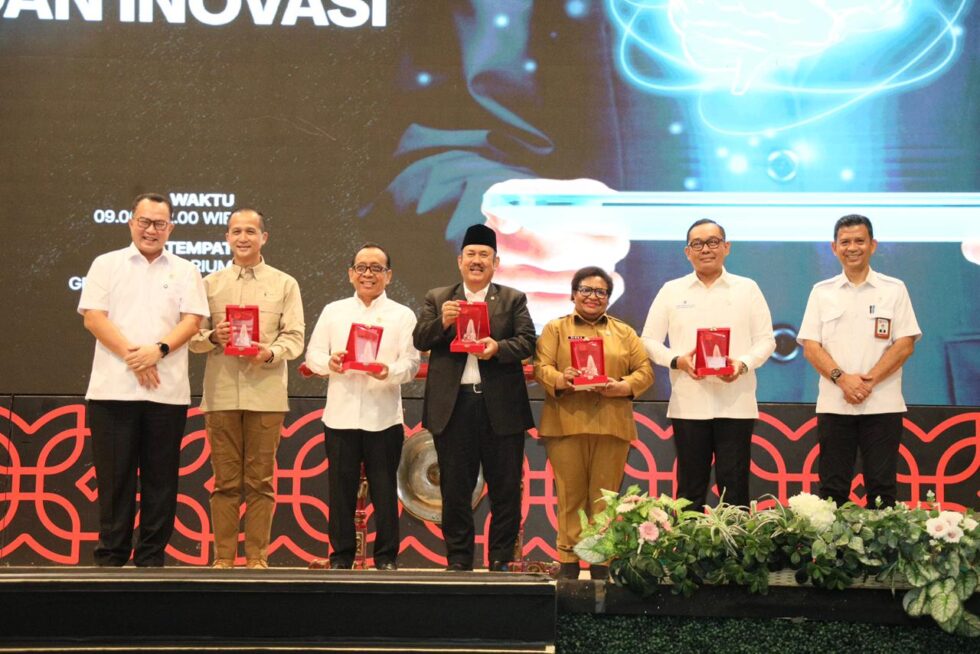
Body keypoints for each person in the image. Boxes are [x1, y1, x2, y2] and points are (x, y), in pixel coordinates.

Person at [78, 192, 208, 566]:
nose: (151, 230)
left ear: (171, 227)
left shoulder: (186, 269)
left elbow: (192, 321)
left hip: (166, 394)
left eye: (159, 223)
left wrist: (159, 350)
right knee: (114, 480)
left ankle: (151, 559)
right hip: (112, 392)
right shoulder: (106, 264)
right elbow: (94, 318)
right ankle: (111, 558)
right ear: (131, 222)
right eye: (145, 222)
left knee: (160, 482)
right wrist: (134, 356)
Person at [413, 224, 536, 572]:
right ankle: (459, 558)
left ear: (496, 263)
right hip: (454, 407)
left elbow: (528, 341)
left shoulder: (512, 299)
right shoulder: (439, 298)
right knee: (455, 488)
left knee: (505, 488)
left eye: (484, 255)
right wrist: (443, 321)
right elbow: (420, 339)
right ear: (460, 260)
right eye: (471, 254)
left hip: (500, 407)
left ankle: (499, 558)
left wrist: (498, 348)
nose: (477, 260)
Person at [188, 208, 305, 569]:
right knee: (224, 482)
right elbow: (191, 337)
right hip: (221, 394)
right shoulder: (208, 284)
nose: (243, 238)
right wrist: (213, 336)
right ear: (226, 237)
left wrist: (269, 352)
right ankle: (223, 559)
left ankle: (257, 558)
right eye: (236, 231)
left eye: (250, 231)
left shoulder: (285, 283)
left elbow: (295, 337)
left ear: (263, 238)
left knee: (260, 483)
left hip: (266, 395)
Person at [641, 219, 775, 511]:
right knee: (690, 488)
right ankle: (688, 541)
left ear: (726, 247)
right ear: (687, 252)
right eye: (698, 244)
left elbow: (766, 341)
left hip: (736, 402)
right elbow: (648, 340)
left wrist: (741, 364)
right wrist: (677, 361)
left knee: (735, 486)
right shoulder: (671, 290)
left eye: (713, 242)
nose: (706, 249)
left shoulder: (747, 288)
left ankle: (734, 542)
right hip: (689, 403)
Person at [533, 266, 653, 580]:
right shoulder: (555, 329)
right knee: (570, 498)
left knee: (605, 500)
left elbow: (645, 372)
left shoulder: (625, 332)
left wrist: (622, 386)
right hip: (566, 424)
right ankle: (569, 564)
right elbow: (540, 368)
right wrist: (562, 378)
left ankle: (601, 564)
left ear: (608, 298)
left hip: (612, 425)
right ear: (573, 294)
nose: (593, 296)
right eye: (585, 290)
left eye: (601, 292)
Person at [306, 243, 420, 570]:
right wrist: (330, 363)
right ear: (350, 274)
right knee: (340, 492)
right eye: (361, 267)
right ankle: (341, 557)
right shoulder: (334, 311)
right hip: (340, 417)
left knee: (385, 493)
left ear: (389, 276)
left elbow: (411, 364)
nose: (368, 274)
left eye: (376, 268)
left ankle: (386, 558)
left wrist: (388, 371)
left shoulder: (402, 315)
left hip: (383, 417)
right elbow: (313, 356)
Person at [798, 214, 921, 508]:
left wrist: (868, 381)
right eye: (845, 242)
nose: (852, 248)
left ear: (873, 245)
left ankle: (881, 541)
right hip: (835, 405)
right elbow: (811, 347)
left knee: (882, 490)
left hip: (883, 405)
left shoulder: (894, 289)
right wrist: (843, 380)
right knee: (832, 490)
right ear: (834, 247)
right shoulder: (822, 291)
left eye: (859, 241)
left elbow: (905, 344)